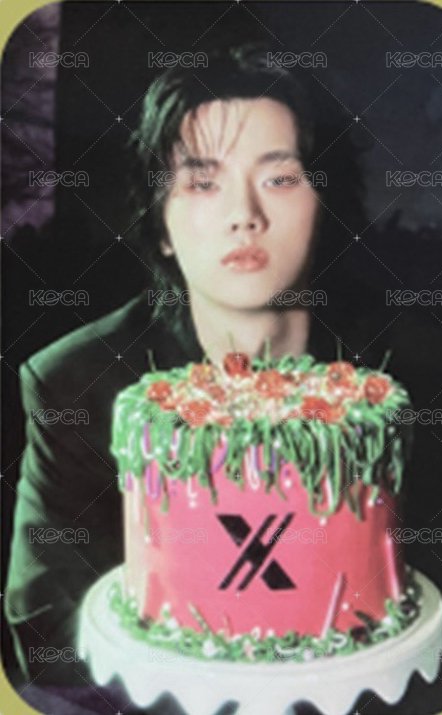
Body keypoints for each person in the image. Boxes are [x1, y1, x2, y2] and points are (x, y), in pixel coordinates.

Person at [4, 41, 384, 713]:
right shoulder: (75, 383)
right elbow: (48, 634)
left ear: (325, 202)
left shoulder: (394, 380)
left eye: (279, 177)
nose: (244, 214)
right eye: (203, 183)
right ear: (161, 226)